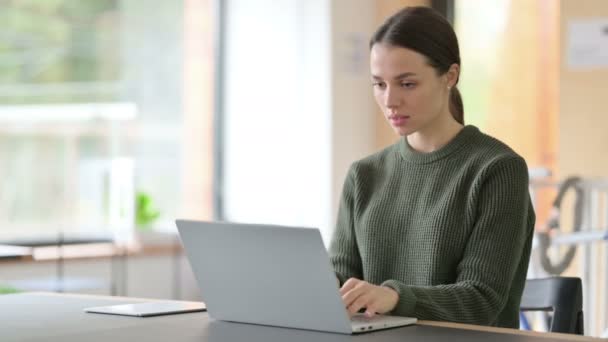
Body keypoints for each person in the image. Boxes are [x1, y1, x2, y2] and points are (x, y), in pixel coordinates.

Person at [329, 6, 535, 329]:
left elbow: (481, 299)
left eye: (407, 84)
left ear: (450, 76)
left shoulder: (498, 170)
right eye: (379, 84)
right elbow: (339, 283)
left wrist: (394, 297)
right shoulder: (363, 176)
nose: (390, 100)